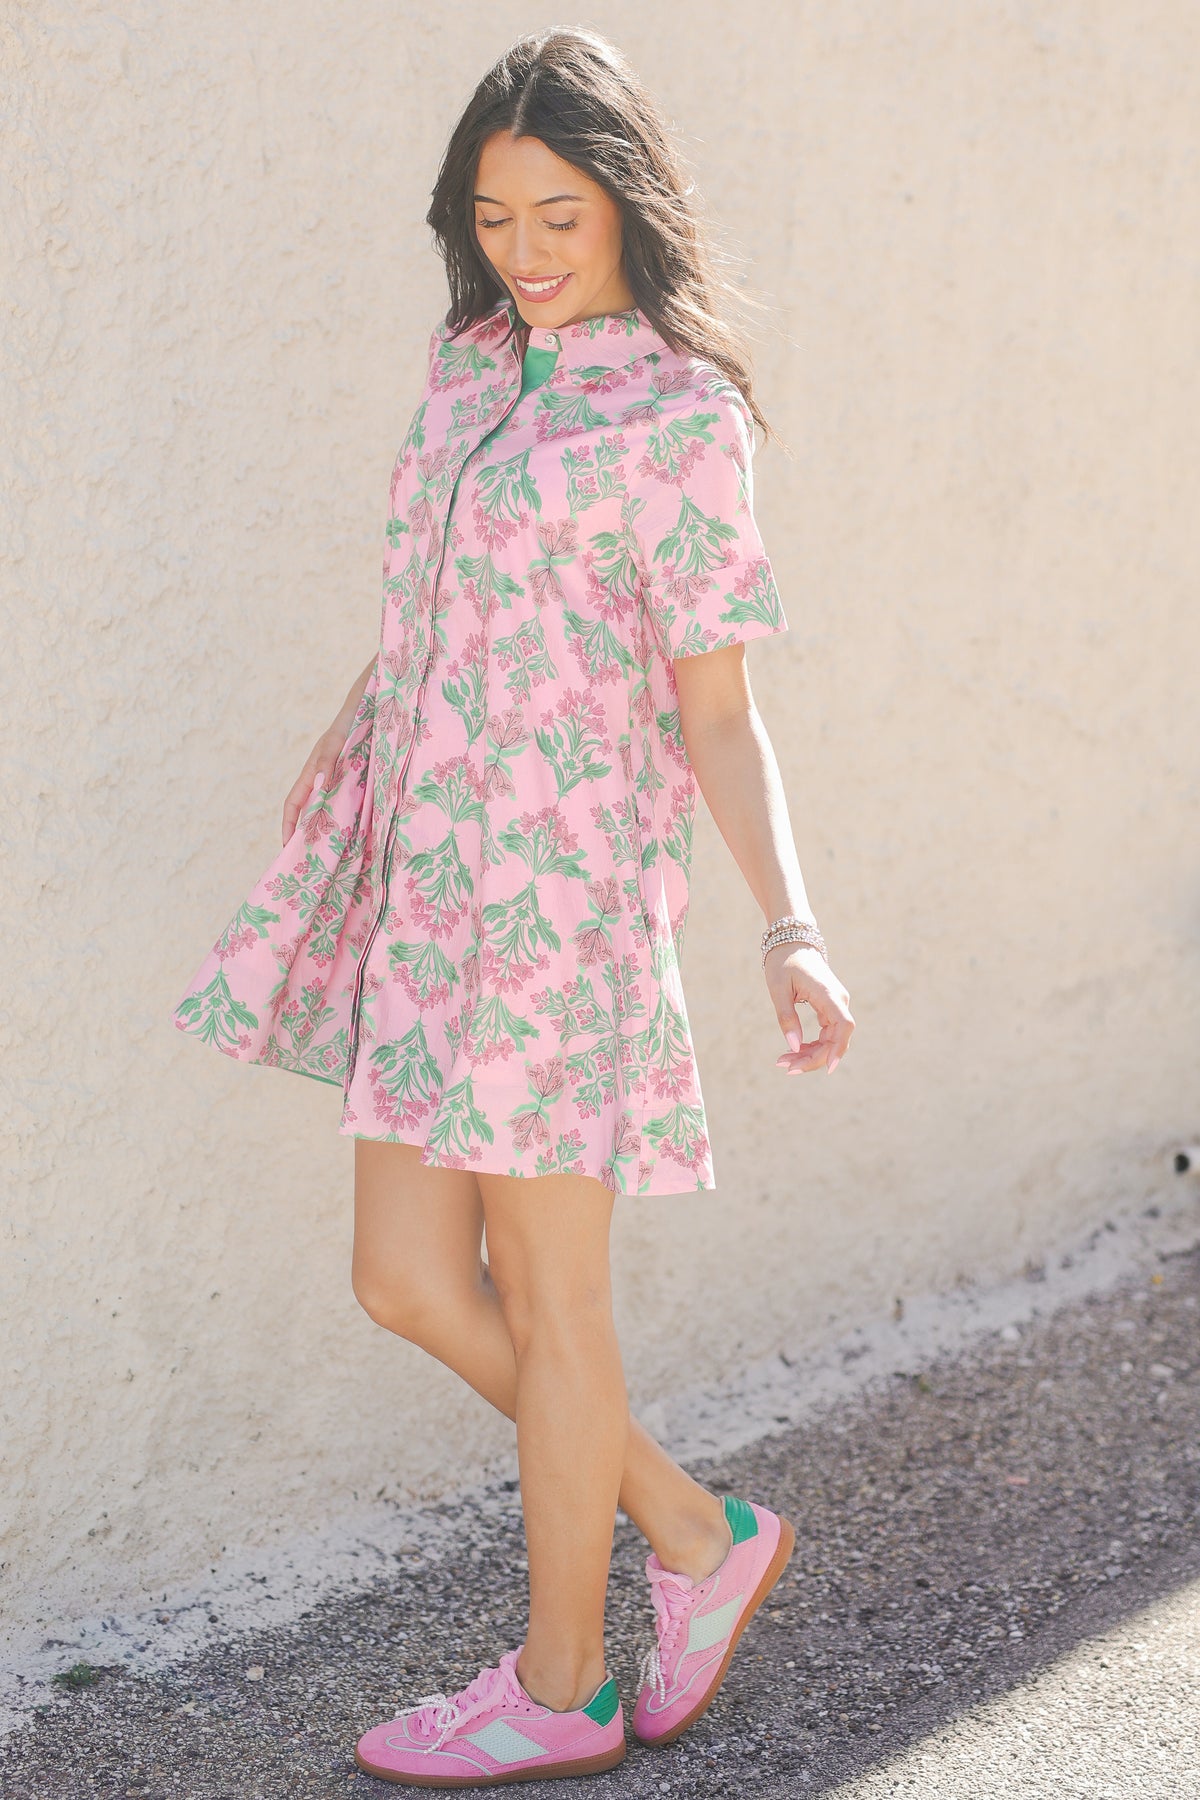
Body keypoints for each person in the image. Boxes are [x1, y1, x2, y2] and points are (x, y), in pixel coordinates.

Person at [172, 24, 854, 1789]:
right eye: (495, 217)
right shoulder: (474, 364)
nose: (527, 252)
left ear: (626, 205)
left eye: (560, 215)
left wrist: (792, 925)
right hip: (420, 881)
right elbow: (430, 616)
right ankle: (700, 1537)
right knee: (404, 1275)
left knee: (557, 1305)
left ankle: (563, 1688)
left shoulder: (683, 419)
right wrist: (348, 774)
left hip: (559, 910)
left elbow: (719, 706)